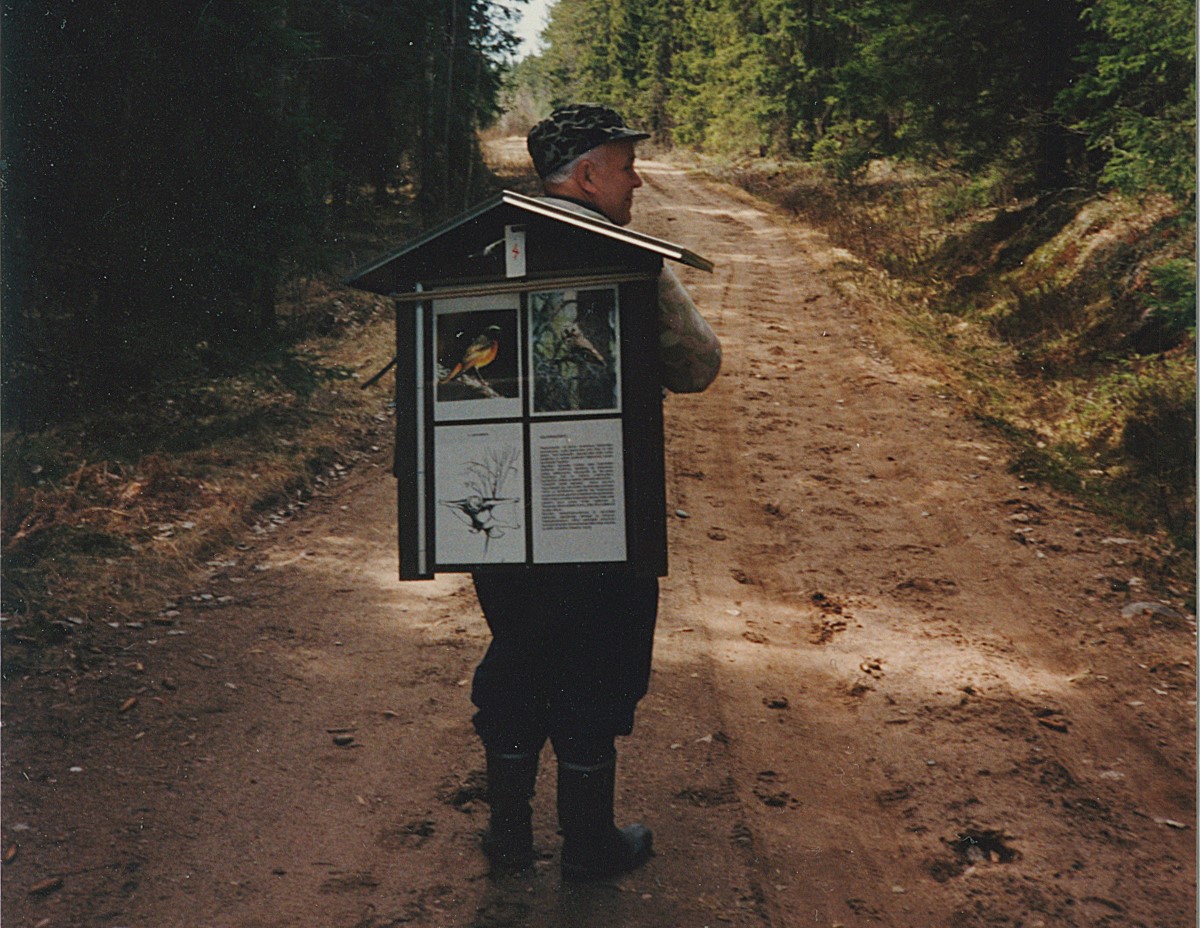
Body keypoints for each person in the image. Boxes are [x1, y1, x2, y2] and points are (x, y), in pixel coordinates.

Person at [470, 103, 722, 881]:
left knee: (516, 652)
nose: (636, 178)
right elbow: (698, 365)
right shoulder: (625, 256)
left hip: (500, 507)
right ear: (585, 175)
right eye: (623, 163)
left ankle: (509, 837)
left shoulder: (474, 249)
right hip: (600, 511)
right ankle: (588, 845)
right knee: (597, 664)